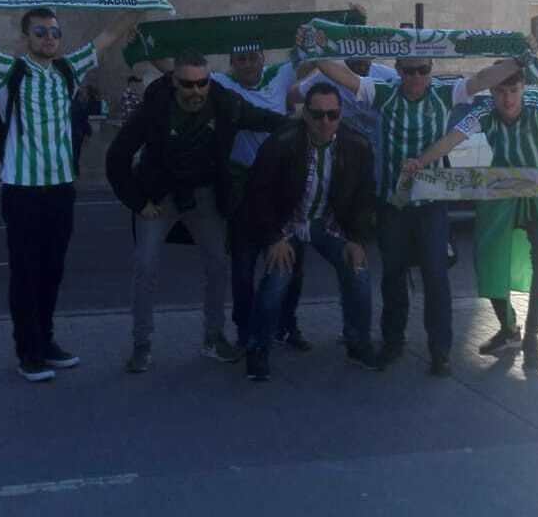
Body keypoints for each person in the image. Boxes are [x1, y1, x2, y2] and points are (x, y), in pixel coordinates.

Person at [0, 4, 146, 383]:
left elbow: (110, 35)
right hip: (22, 191)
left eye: (55, 32)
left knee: (52, 271)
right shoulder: (8, 69)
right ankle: (26, 352)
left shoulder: (69, 68)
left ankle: (46, 342)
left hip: (61, 188)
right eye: (41, 32)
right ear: (25, 37)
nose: (49, 38)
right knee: (25, 273)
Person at [311, 54, 524, 375]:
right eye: (409, 70)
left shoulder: (445, 93)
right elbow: (340, 75)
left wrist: (519, 58)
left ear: (430, 71)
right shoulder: (382, 92)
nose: (416, 76)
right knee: (393, 277)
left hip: (431, 206)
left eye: (423, 70)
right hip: (392, 205)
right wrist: (319, 46)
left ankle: (440, 351)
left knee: (436, 279)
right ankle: (393, 343)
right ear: (398, 71)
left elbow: (485, 78)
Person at [404, 73, 538, 371]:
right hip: (501, 185)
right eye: (501, 91)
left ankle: (532, 339)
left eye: (513, 90)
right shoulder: (485, 110)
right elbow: (452, 140)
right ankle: (508, 329)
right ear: (492, 91)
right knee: (488, 258)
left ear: (523, 88)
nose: (508, 98)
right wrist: (421, 163)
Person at [107, 50, 288, 374]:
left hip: (204, 195)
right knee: (145, 266)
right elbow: (117, 157)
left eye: (201, 83)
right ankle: (142, 345)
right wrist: (138, 202)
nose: (195, 91)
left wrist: (305, 126)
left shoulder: (225, 102)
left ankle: (213, 338)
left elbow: (264, 119)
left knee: (218, 265)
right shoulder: (154, 110)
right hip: (159, 197)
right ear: (174, 81)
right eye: (187, 84)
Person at [245, 83, 381, 381]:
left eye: (332, 115)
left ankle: (358, 343)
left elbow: (365, 195)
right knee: (276, 280)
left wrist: (357, 239)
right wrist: (274, 238)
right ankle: (258, 349)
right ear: (305, 114)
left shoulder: (357, 144)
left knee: (358, 273)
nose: (325, 122)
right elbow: (258, 192)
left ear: (341, 114)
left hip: (328, 222)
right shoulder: (282, 142)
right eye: (317, 115)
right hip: (287, 223)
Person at [211, 47, 314, 350]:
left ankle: (286, 325)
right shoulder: (221, 84)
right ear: (232, 63)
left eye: (252, 57)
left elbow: (313, 53)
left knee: (294, 262)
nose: (247, 64)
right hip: (242, 185)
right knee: (243, 266)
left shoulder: (280, 76)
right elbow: (177, 70)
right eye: (240, 59)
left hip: (281, 184)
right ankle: (245, 330)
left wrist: (349, 23)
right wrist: (148, 42)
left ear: (262, 59)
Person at [70, 85, 96, 178]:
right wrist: (88, 131)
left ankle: (71, 170)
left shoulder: (68, 105)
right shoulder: (82, 106)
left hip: (69, 132)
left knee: (71, 151)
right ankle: (75, 170)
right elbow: (84, 120)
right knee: (76, 151)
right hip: (78, 133)